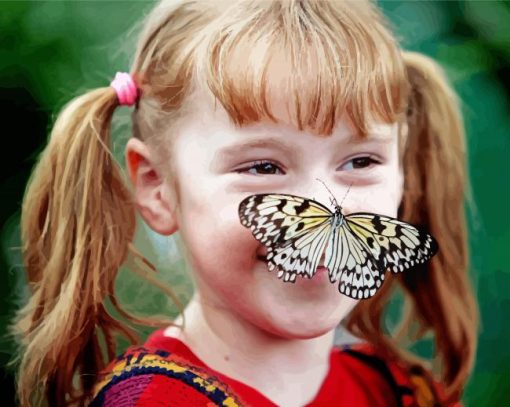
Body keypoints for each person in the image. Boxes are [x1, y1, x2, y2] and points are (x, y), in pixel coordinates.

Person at [9, 0, 479, 406]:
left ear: (403, 174)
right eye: (263, 168)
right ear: (159, 188)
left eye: (360, 160)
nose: (318, 200)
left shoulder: (401, 390)